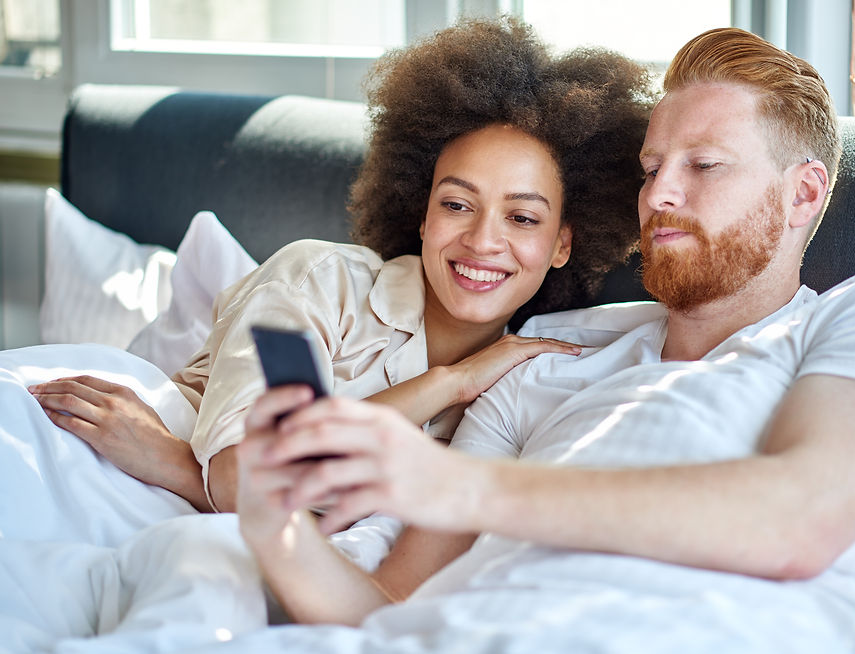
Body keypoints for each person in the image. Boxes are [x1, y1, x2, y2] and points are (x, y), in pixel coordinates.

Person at [233, 25, 855, 627]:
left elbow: (804, 520)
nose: (660, 195)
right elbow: (385, 606)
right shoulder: (543, 366)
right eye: (650, 169)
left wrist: (455, 486)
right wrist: (275, 525)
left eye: (703, 165)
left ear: (802, 194)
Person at [27, 18, 653, 515]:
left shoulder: (532, 381)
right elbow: (248, 476)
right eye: (457, 205)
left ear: (563, 243)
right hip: (77, 447)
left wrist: (168, 461)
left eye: (522, 218)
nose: (483, 241)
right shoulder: (317, 283)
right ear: (422, 215)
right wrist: (446, 383)